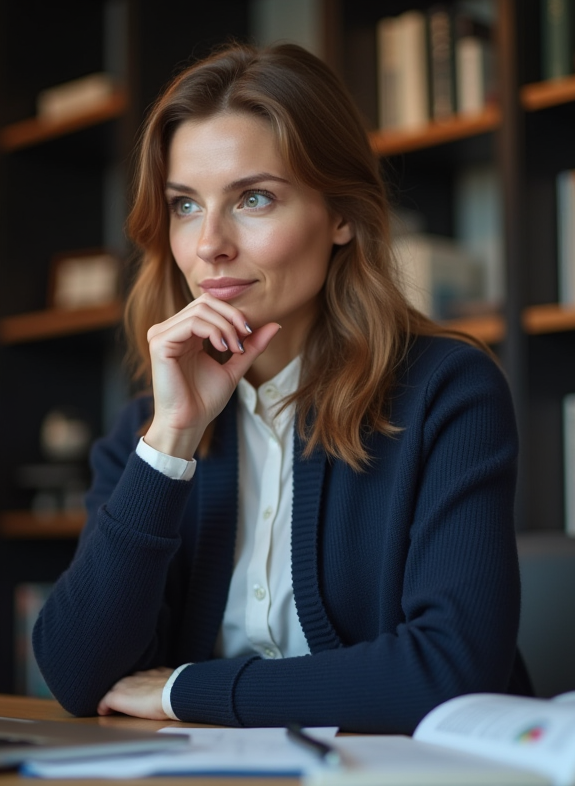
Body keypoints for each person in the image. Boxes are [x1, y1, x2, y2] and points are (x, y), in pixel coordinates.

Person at [32, 42, 528, 734]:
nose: (209, 245)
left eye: (253, 198)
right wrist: (173, 441)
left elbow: (451, 672)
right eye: (184, 205)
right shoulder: (148, 430)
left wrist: (186, 691)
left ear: (342, 216)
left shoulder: (448, 393)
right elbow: (77, 674)